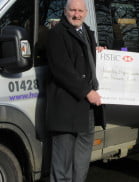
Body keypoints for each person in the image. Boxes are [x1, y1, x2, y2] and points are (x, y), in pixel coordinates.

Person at [45, 0, 105, 181]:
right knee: (62, 165)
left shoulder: (86, 31)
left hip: (86, 110)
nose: (76, 14)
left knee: (81, 161)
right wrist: (88, 92)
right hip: (66, 109)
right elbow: (62, 69)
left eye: (80, 11)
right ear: (65, 11)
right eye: (72, 10)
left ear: (86, 12)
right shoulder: (57, 33)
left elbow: (82, 58)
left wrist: (99, 54)